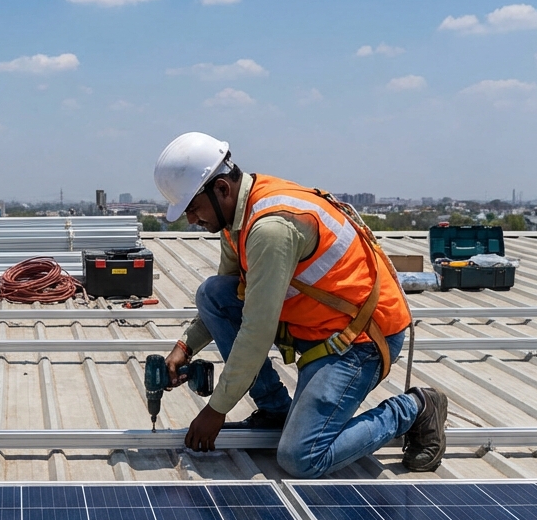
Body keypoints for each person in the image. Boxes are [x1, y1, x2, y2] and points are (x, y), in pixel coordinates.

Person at [153, 132, 448, 477]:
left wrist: (216, 409)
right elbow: (230, 298)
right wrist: (185, 346)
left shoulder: (271, 228)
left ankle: (415, 408)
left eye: (192, 207)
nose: (191, 220)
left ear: (221, 189)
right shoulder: (236, 217)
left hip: (359, 340)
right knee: (212, 294)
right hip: (316, 326)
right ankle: (275, 410)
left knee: (301, 458)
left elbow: (257, 330)